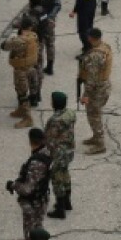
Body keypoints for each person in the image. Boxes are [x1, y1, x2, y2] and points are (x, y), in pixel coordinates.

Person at [7, 128, 53, 239]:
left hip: (33, 203)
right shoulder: (47, 153)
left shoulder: (36, 162)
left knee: (31, 237)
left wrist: (12, 185)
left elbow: (27, 189)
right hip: (42, 198)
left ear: (30, 141)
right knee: (38, 229)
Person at [78, 27, 113, 155]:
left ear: (91, 38)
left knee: (94, 115)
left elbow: (92, 78)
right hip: (103, 85)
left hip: (96, 89)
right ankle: (96, 137)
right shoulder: (105, 47)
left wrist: (85, 95)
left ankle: (100, 144)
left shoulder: (95, 55)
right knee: (94, 114)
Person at [1, 17, 40, 127]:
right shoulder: (34, 36)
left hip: (21, 71)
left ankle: (28, 118)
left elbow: (3, 46)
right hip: (31, 68)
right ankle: (21, 110)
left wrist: (13, 38)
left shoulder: (18, 40)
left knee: (22, 94)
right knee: (22, 91)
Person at [44, 91, 76, 219]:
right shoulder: (70, 113)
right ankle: (67, 202)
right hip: (69, 149)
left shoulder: (55, 120)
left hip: (59, 152)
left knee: (57, 178)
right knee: (65, 174)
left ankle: (60, 208)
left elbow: (49, 138)